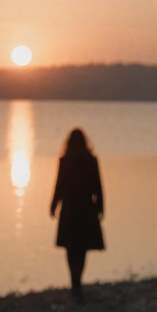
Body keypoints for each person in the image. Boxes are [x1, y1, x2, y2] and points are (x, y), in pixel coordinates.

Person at [49, 128, 105, 299]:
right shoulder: (91, 160)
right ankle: (78, 279)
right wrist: (101, 207)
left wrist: (53, 204)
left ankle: (74, 280)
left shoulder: (65, 160)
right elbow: (98, 186)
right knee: (82, 246)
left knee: (71, 245)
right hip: (87, 208)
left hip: (69, 208)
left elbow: (58, 184)